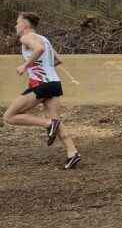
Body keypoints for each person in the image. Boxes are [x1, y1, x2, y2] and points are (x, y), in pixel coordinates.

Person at [3, 12, 81, 169]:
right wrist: (42, 65)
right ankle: (72, 153)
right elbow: (58, 60)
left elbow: (38, 49)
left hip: (42, 84)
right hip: (54, 83)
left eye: (17, 23)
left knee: (9, 116)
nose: (16, 26)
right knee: (56, 119)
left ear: (25, 24)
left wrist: (26, 65)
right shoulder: (44, 39)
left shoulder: (26, 38)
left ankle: (47, 124)